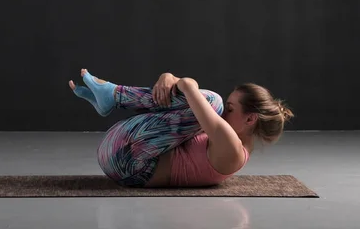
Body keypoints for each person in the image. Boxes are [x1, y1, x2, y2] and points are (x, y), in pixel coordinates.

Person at [68, 69, 294, 188]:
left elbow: (188, 88)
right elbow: (181, 104)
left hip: (129, 163)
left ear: (250, 119)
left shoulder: (232, 150)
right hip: (124, 157)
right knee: (203, 103)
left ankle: (115, 95)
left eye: (232, 109)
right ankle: (112, 96)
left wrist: (181, 80)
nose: (226, 113)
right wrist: (168, 79)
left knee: (213, 101)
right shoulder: (225, 141)